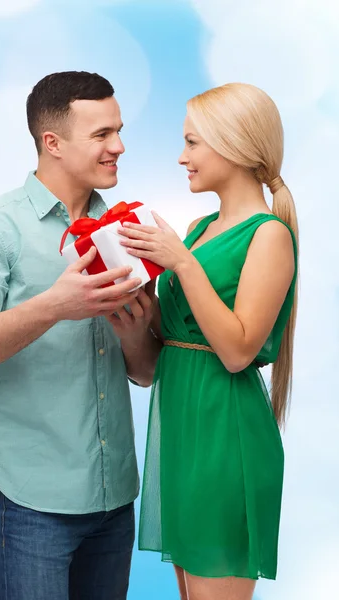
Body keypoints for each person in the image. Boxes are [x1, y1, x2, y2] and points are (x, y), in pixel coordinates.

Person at [0, 71, 161, 600]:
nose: (119, 147)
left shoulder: (127, 231)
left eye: (119, 131)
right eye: (102, 134)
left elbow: (146, 371)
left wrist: (133, 336)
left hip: (114, 496)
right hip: (30, 500)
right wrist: (56, 306)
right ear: (52, 143)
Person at [117, 83, 298, 600]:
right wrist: (139, 317)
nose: (182, 157)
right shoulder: (197, 230)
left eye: (193, 143)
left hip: (225, 435)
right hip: (180, 431)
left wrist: (180, 263)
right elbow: (164, 356)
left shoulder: (269, 236)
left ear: (234, 145)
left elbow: (238, 350)